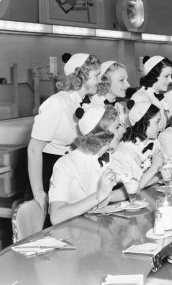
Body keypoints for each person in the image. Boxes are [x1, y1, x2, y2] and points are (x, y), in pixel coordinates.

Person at [27, 53, 101, 216]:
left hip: (68, 168)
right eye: (96, 75)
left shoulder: (84, 102)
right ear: (82, 76)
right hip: (49, 168)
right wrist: (39, 192)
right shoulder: (57, 103)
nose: (99, 80)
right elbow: (33, 149)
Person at [49, 105, 127, 225]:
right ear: (103, 132)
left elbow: (128, 187)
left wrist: (108, 196)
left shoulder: (107, 157)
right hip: (73, 231)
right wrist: (99, 196)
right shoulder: (65, 164)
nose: (123, 131)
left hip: (97, 226)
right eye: (117, 127)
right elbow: (56, 216)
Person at [111, 101, 165, 189]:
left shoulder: (154, 141)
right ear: (143, 123)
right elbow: (133, 187)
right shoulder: (124, 152)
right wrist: (155, 168)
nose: (161, 127)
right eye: (157, 122)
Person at [131, 55, 172, 131]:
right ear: (154, 76)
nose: (170, 80)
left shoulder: (160, 96)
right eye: (166, 76)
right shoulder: (140, 97)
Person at [91, 61, 131, 128]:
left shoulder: (119, 107)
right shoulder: (92, 108)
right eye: (121, 80)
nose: (128, 85)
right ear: (105, 81)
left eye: (127, 80)